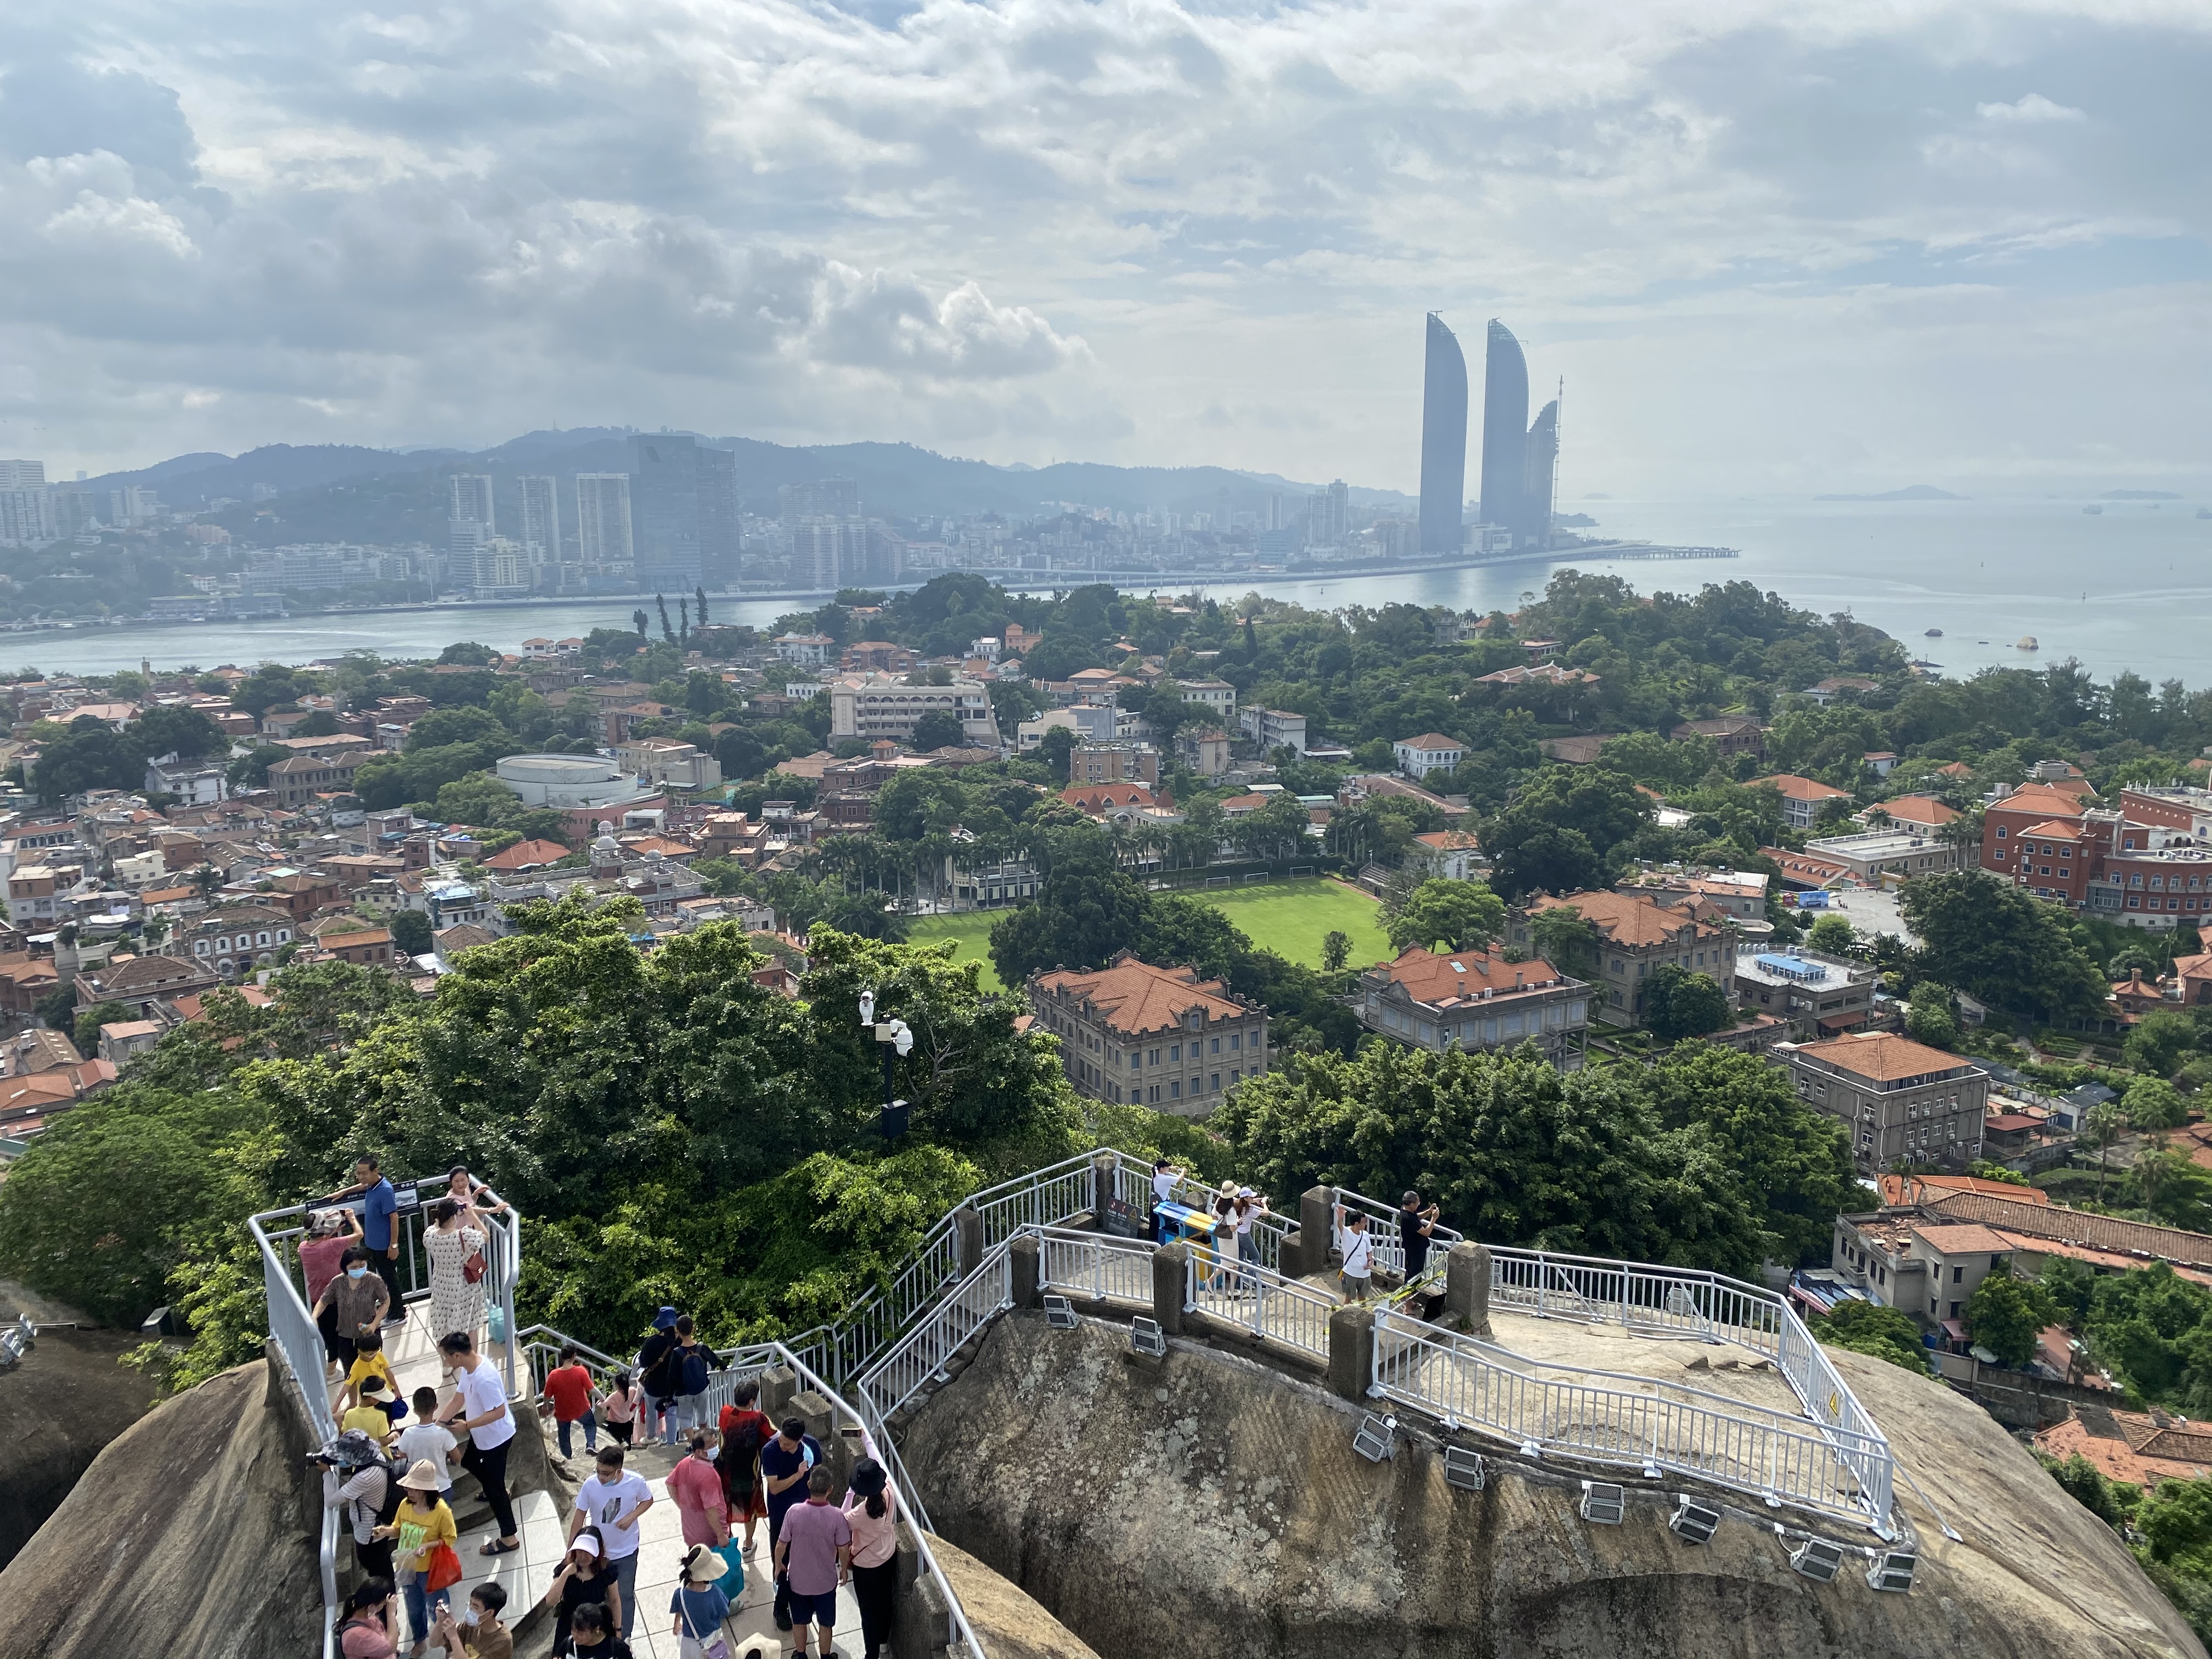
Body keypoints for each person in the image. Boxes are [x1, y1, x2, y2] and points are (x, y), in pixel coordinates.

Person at [437, 1330, 520, 1556]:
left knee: (496, 1491)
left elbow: (500, 1411)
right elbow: (459, 1398)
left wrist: (467, 1425)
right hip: (482, 1438)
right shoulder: (469, 1369)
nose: (445, 1360)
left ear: (456, 1356)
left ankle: (509, 1537)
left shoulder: (485, 1377)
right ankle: (493, 1488)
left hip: (497, 1439)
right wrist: (439, 1424)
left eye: (446, 1356)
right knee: (470, 1461)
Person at [566, 1443, 653, 1640]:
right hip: (598, 1553)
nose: (601, 1477)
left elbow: (648, 1500)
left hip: (626, 1551)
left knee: (624, 1595)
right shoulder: (590, 1485)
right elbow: (579, 1516)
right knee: (601, 1597)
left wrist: (632, 1517)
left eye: (606, 1473)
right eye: (598, 1471)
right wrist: (571, 1549)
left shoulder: (635, 1482)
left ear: (618, 1470)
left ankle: (625, 1636)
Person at [375, 1458, 458, 1657]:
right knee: (413, 1609)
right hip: (408, 1566)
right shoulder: (405, 1505)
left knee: (438, 1609)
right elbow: (399, 1529)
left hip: (431, 1569)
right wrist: (386, 1531)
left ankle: (450, 1643)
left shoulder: (442, 1511)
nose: (408, 1492)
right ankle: (420, 1641)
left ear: (424, 1490)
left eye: (413, 1488)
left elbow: (449, 1539)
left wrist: (427, 1546)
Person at [774, 1466, 851, 1659]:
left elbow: (781, 1545)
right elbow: (843, 1549)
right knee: (826, 1624)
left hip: (798, 1582)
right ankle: (825, 1656)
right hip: (825, 1584)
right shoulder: (837, 1516)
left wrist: (778, 1566)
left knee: (799, 1622)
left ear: (808, 1485)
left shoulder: (794, 1512)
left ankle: (801, 1655)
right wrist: (843, 1570)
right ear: (830, 1489)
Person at [759, 1415, 821, 1632]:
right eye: (782, 1440)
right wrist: (798, 1475)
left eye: (788, 1443)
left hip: (807, 1514)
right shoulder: (770, 1451)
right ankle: (781, 1608)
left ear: (800, 1439)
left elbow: (819, 1477)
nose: (783, 1445)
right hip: (781, 1516)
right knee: (782, 1564)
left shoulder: (811, 1446)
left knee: (806, 1561)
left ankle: (802, 1602)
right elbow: (774, 1488)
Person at [327, 1155, 402, 1321]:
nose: (361, 1177)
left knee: (390, 1279)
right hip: (373, 1244)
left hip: (384, 1245)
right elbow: (362, 1186)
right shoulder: (373, 1185)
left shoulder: (385, 1190)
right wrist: (344, 1191)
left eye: (364, 1174)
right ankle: (395, 1309)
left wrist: (394, 1245)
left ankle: (398, 1314)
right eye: (358, 1174)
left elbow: (394, 1218)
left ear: (375, 1171)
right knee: (383, 1277)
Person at [842, 1458, 899, 1659]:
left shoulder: (859, 1514)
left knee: (869, 1613)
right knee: (885, 1603)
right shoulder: (890, 1493)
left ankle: (872, 1654)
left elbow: (840, 1521)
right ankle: (884, 1644)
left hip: (866, 1568)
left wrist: (849, 1494)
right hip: (888, 1556)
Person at [302, 1206, 364, 1378]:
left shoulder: (303, 1248)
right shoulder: (332, 1246)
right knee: (339, 1336)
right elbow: (359, 1235)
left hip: (318, 1298)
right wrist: (352, 1219)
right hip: (337, 1297)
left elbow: (322, 1243)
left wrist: (332, 1231)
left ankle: (330, 1368)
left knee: (328, 1333)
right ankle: (333, 1371)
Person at [313, 1245, 391, 1378]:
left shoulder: (374, 1281)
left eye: (362, 1265)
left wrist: (374, 1324)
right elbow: (324, 1301)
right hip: (346, 1335)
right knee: (350, 1375)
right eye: (354, 1268)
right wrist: (314, 1318)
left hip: (369, 1333)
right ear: (345, 1268)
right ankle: (353, 1400)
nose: (359, 1270)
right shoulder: (337, 1282)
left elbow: (385, 1301)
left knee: (373, 1372)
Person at [540, 1530, 622, 1656]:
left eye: (588, 1552)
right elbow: (550, 1601)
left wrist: (618, 1629)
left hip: (596, 1625)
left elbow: (615, 1600)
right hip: (569, 1623)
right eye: (580, 1551)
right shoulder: (565, 1569)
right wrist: (565, 1574)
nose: (583, 1557)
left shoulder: (606, 1570)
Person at [328, 1438, 397, 1583]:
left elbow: (330, 1501)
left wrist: (327, 1474)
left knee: (379, 1573)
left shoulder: (364, 1478)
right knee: (384, 1565)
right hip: (380, 1524)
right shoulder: (378, 1457)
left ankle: (387, 1600)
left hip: (368, 1534)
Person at [423, 1197, 488, 1354]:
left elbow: (436, 1226)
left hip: (441, 1289)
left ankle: (446, 1364)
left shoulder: (429, 1236)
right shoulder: (464, 1235)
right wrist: (472, 1215)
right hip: (464, 1288)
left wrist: (442, 1218)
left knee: (442, 1328)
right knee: (471, 1326)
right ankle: (471, 1359)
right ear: (454, 1217)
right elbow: (485, 1236)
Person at [717, 1380, 772, 1555]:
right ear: (751, 1401)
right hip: (750, 1471)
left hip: (726, 1470)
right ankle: (748, 1544)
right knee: (751, 1508)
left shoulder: (725, 1412)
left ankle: (728, 1536)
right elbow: (775, 1435)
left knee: (727, 1504)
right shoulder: (758, 1418)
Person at [668, 1429, 729, 1556]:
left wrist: (683, 1506)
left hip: (692, 1534)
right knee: (716, 1572)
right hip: (711, 1538)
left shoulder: (685, 1463)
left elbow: (670, 1484)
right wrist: (721, 1535)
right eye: (711, 1446)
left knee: (697, 1570)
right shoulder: (708, 1475)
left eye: (716, 1443)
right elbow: (711, 1509)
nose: (715, 1448)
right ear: (699, 1452)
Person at [669, 1542, 733, 1659]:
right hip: (711, 1642)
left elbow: (678, 1608)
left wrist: (677, 1623)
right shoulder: (714, 1593)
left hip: (689, 1645)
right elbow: (724, 1612)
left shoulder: (679, 1594)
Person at [397, 1388, 461, 1503]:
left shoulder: (407, 1434)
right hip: (442, 1488)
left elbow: (402, 1459)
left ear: (415, 1410)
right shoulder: (443, 1434)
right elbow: (457, 1457)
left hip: (418, 1489)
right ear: (436, 1407)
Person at [541, 1346, 598, 1460]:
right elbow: (591, 1389)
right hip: (581, 1408)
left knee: (563, 1436)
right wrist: (603, 1399)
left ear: (562, 1357)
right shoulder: (581, 1371)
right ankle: (590, 1445)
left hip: (563, 1411)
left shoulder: (553, 1375)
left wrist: (545, 1406)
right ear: (574, 1356)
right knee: (590, 1425)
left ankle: (568, 1458)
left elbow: (547, 1395)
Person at [429, 1581, 511, 1659]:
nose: (470, 1609)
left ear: (489, 1613)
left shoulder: (502, 1641)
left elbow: (453, 1638)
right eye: (470, 1603)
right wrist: (440, 1621)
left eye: (475, 1607)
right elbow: (435, 1643)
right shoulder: (470, 1626)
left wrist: (454, 1637)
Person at [664, 1314, 710, 1444]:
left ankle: (693, 1444)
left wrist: (669, 1397)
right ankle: (704, 1444)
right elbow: (718, 1363)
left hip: (683, 1392)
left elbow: (672, 1377)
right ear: (693, 1329)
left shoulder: (677, 1352)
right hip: (702, 1388)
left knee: (685, 1418)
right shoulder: (702, 1348)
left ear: (677, 1331)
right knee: (703, 1417)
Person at [637, 1308, 680, 1442]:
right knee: (671, 1413)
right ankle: (672, 1441)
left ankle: (651, 1437)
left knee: (651, 1412)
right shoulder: (678, 1343)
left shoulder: (651, 1342)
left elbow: (643, 1363)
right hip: (671, 1386)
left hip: (653, 1385)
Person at [340, 1579, 402, 1659]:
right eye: (384, 1604)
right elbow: (390, 1648)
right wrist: (391, 1614)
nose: (385, 1606)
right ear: (371, 1607)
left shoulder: (365, 1616)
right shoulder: (358, 1635)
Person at [347, 1327, 401, 1415]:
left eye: (376, 1352)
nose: (374, 1356)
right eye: (370, 1354)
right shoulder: (356, 1367)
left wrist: (396, 1389)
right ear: (360, 1352)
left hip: (386, 1393)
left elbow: (388, 1372)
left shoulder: (379, 1355)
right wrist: (337, 1406)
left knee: (388, 1417)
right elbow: (347, 1385)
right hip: (370, 1402)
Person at [442, 1164, 508, 1229]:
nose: (460, 1184)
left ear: (468, 1180)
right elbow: (469, 1209)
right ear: (451, 1183)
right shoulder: (451, 1199)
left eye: (463, 1180)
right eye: (456, 1181)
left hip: (469, 1228)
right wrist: (492, 1210)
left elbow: (469, 1204)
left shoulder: (466, 1188)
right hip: (459, 1232)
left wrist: (475, 1194)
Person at [1335, 1201, 1373, 1304]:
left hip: (1365, 1273)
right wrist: (1340, 1218)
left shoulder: (1365, 1235)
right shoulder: (1346, 1233)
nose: (1366, 1224)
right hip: (1350, 1272)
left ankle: (1362, 1316)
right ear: (1357, 1224)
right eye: (1364, 1222)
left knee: (1362, 1297)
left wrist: (1370, 1260)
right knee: (1349, 1298)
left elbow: (1369, 1251)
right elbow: (1340, 1227)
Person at [565, 1602, 630, 1659]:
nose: (575, 1636)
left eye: (581, 1634)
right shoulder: (568, 1644)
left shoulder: (616, 1647)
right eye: (573, 1630)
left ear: (596, 1629)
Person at [1398, 1190, 1440, 1283]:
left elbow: (1417, 1217)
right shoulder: (1409, 1219)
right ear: (1412, 1204)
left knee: (1413, 1273)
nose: (1419, 1204)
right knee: (1414, 1275)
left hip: (1413, 1249)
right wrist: (1434, 1218)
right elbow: (1426, 1233)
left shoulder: (1404, 1209)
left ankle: (1410, 1294)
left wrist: (1429, 1211)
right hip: (1415, 1251)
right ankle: (1409, 1295)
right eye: (1418, 1202)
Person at [343, 1375, 399, 1442]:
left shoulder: (349, 1414)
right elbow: (384, 1442)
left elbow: (345, 1434)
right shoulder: (381, 1416)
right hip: (377, 1451)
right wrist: (393, 1436)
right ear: (372, 1399)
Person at [598, 1369, 643, 1447]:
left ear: (617, 1385)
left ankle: (621, 1442)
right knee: (629, 1432)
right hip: (627, 1419)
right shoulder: (632, 1391)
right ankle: (629, 1444)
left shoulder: (614, 1396)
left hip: (615, 1422)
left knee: (610, 1428)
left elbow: (602, 1405)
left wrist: (599, 1401)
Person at [1235, 1188, 1269, 1279]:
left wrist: (1255, 1201)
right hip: (1244, 1235)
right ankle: (1248, 1278)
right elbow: (1267, 1213)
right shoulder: (1250, 1210)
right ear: (1246, 1198)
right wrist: (1264, 1203)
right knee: (1256, 1257)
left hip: (1236, 1232)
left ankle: (1238, 1282)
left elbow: (1247, 1202)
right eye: (1251, 1197)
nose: (1253, 1198)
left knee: (1240, 1259)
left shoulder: (1237, 1204)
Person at [1149, 1155, 1183, 1242]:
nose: (1168, 1169)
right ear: (1161, 1169)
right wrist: (1183, 1171)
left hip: (1154, 1203)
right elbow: (1179, 1179)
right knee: (1161, 1224)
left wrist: (1171, 1169)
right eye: (1166, 1167)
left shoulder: (1155, 1173)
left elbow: (1156, 1168)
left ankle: (1151, 1242)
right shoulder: (1165, 1179)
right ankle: (1158, 1242)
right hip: (1162, 1205)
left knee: (1153, 1223)